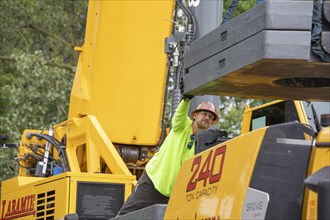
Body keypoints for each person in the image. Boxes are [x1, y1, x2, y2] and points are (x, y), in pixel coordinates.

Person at [117, 96, 219, 215]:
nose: (207, 118)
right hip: (153, 182)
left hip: (173, 195)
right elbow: (179, 115)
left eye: (210, 117)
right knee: (126, 216)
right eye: (204, 114)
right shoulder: (181, 127)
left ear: (212, 123)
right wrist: (186, 100)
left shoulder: (206, 145)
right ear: (195, 115)